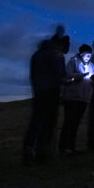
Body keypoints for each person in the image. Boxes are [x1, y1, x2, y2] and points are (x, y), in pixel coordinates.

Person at [23, 24, 70, 164]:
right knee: (49, 123)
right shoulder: (56, 55)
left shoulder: (36, 55)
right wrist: (69, 81)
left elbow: (34, 75)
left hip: (38, 92)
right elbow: (60, 75)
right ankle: (43, 153)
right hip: (52, 93)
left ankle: (28, 151)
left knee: (35, 121)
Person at [59, 43, 94, 154]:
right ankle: (63, 147)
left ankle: (71, 146)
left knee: (76, 123)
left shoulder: (91, 65)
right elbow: (67, 74)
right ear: (81, 53)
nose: (88, 57)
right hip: (72, 97)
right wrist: (80, 76)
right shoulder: (73, 61)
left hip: (84, 98)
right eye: (86, 54)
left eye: (90, 55)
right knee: (69, 122)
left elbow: (93, 76)